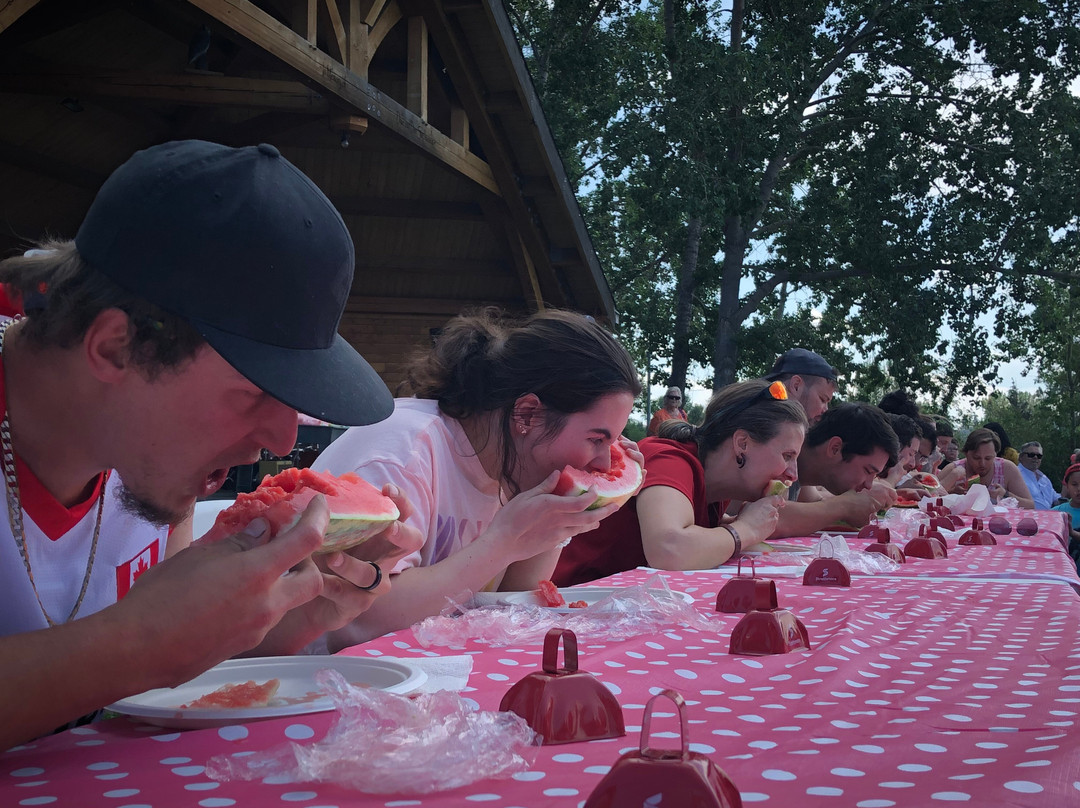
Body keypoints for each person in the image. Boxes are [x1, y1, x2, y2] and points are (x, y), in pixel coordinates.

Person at [0, 140, 423, 750]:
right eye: (254, 392)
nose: (284, 438)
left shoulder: (150, 467)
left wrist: (288, 616)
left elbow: (155, 678)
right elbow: (132, 653)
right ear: (115, 347)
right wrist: (133, 643)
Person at [315, 308, 643, 649]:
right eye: (596, 440)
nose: (604, 463)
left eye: (615, 442)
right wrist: (502, 542)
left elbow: (509, 603)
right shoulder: (404, 452)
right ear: (527, 414)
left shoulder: (515, 466)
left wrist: (560, 524)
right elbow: (359, 620)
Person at [553, 379, 807, 586]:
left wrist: (735, 526)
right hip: (556, 608)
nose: (793, 474)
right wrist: (745, 530)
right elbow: (669, 548)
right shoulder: (670, 459)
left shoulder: (716, 491)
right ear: (742, 444)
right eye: (787, 456)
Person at [771, 402, 900, 536]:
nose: (868, 485)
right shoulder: (781, 456)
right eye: (868, 471)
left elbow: (813, 507)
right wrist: (845, 506)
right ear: (835, 448)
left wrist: (856, 507)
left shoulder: (805, 472)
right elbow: (764, 516)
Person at [939, 428, 1034, 508]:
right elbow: (929, 498)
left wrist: (1005, 495)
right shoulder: (953, 469)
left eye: (988, 458)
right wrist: (951, 493)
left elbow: (1030, 505)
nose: (982, 464)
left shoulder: (1007, 468)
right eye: (976, 458)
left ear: (995, 455)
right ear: (966, 454)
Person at [762, 348, 838, 425]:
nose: (825, 410)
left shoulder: (755, 415)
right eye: (822, 400)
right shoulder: (759, 427)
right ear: (796, 386)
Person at [1016, 441, 1060, 510]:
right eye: (1031, 455)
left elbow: (1055, 497)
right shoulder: (1015, 474)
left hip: (1048, 517)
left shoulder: (1044, 478)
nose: (1035, 457)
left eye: (1039, 456)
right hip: (1026, 517)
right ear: (1021, 457)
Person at [1054, 464, 1080, 567]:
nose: (1079, 489)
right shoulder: (1056, 512)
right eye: (1074, 484)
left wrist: (1072, 533)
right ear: (1067, 486)